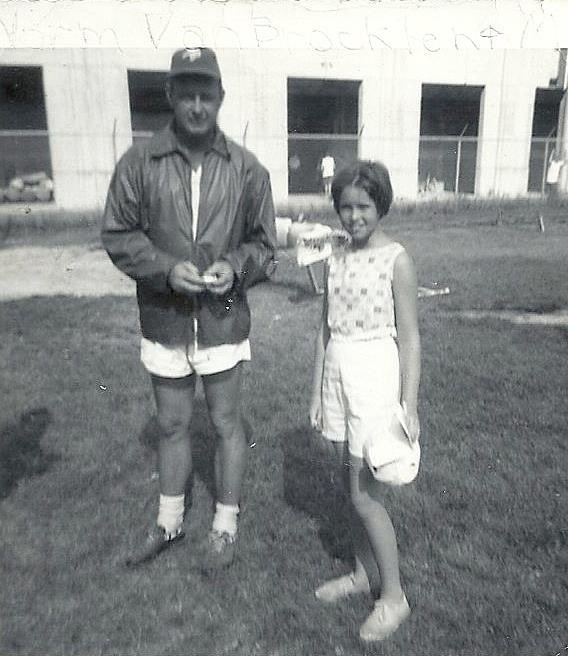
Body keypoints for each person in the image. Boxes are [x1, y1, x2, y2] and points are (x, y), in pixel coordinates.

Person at [102, 47, 277, 571]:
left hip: (222, 317)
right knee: (173, 423)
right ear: (171, 96)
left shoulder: (248, 168)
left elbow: (265, 245)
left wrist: (235, 266)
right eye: (187, 94)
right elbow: (117, 233)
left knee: (226, 424)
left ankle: (225, 525)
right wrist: (163, 268)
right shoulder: (139, 162)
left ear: (220, 98)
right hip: (165, 317)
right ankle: (169, 521)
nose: (198, 105)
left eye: (207, 94)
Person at [309, 160, 421, 642]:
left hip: (374, 373)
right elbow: (323, 328)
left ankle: (393, 597)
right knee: (346, 485)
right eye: (346, 207)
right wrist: (315, 389)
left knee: (363, 494)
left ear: (381, 206)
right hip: (337, 368)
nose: (354, 216)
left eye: (364, 206)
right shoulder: (334, 258)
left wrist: (409, 405)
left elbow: (411, 338)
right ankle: (361, 573)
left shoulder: (396, 259)